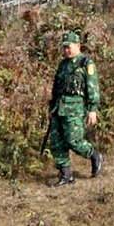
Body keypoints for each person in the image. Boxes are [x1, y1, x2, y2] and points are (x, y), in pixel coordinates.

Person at [47, 32, 103, 186]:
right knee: (57, 142)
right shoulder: (63, 64)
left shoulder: (86, 63)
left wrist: (92, 109)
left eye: (69, 47)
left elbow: (93, 88)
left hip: (75, 108)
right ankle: (66, 175)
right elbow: (56, 87)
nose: (66, 50)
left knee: (74, 140)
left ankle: (94, 155)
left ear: (78, 46)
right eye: (64, 47)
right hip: (59, 107)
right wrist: (52, 107)